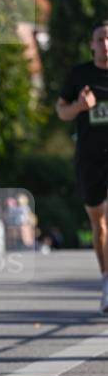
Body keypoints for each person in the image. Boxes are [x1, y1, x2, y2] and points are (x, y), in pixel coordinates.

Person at [56, 19, 108, 313]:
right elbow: (61, 110)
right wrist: (79, 106)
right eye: (100, 39)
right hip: (89, 157)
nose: (105, 44)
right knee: (99, 224)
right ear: (91, 45)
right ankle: (106, 279)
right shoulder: (80, 75)